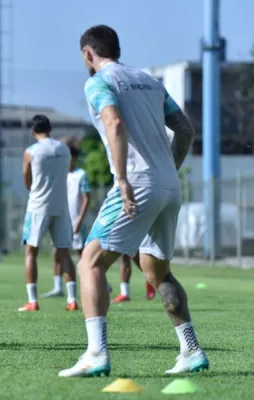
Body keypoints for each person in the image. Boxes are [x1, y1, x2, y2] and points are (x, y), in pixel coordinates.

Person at [59, 25, 208, 377]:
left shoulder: (98, 81)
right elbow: (185, 129)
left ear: (87, 54)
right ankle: (191, 349)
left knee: (90, 263)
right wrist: (167, 171)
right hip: (169, 184)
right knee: (156, 269)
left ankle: (96, 353)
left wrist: (124, 180)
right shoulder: (149, 81)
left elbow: (114, 123)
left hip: (137, 184)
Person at [18, 115, 78, 312]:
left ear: (33, 131)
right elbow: (69, 170)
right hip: (61, 206)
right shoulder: (64, 149)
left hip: (37, 205)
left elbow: (26, 178)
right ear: (50, 128)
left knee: (30, 253)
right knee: (64, 253)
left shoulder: (31, 151)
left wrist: (35, 188)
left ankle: (33, 301)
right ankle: (71, 300)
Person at [43, 144, 90, 298]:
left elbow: (86, 199)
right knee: (57, 253)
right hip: (61, 219)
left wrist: (79, 220)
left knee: (83, 256)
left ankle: (94, 282)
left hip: (76, 220)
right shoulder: (60, 174)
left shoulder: (81, 174)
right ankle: (58, 287)